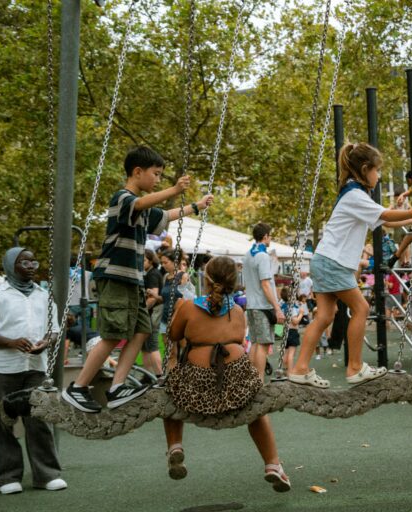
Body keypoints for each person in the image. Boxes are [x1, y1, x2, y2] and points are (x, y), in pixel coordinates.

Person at [63, 146, 214, 413]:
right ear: (137, 172)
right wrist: (175, 190)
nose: (158, 180)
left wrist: (196, 206)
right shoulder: (122, 198)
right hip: (115, 277)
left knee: (142, 329)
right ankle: (78, 387)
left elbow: (166, 215)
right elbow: (142, 203)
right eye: (156, 174)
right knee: (112, 334)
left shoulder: (143, 211)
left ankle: (117, 387)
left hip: (133, 281)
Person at [289, 142, 412, 388]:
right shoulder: (355, 194)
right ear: (365, 169)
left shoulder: (352, 192)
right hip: (333, 262)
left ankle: (300, 368)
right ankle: (354, 367)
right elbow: (387, 215)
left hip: (325, 260)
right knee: (361, 309)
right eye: (377, 171)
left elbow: (386, 222)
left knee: (325, 316)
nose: (378, 176)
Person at [162, 257, 290, 491]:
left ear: (207, 281)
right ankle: (273, 464)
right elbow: (240, 339)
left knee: (169, 394)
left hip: (197, 384)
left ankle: (175, 446)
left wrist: (179, 312)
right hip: (236, 383)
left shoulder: (189, 307)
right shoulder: (238, 311)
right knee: (256, 408)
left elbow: (172, 335)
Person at [0, 248, 67, 494]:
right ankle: (7, 477)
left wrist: (46, 341)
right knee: (1, 421)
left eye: (34, 260)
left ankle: (46, 474)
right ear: (12, 265)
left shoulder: (43, 295)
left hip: (35, 366)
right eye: (25, 261)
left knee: (39, 418)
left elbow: (53, 330)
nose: (32, 264)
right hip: (2, 368)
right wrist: (10, 342)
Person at [242, 223, 286, 379]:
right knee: (263, 345)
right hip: (263, 306)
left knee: (254, 343)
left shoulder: (247, 255)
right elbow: (266, 284)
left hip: (252, 305)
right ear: (265, 236)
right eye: (270, 235)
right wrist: (277, 308)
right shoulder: (262, 256)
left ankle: (252, 380)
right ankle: (258, 380)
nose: (271, 238)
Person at [142, 249, 163, 377]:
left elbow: (153, 297)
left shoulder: (153, 274)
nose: (141, 262)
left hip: (152, 314)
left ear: (151, 261)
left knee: (152, 345)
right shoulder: (149, 273)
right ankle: (147, 375)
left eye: (144, 260)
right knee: (145, 347)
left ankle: (159, 375)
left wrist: (142, 310)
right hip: (149, 314)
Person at [279, 287, 302, 372]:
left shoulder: (282, 306)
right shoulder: (292, 307)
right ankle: (290, 372)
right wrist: (301, 314)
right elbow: (295, 321)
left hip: (285, 331)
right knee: (291, 354)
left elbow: (280, 321)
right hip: (292, 331)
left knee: (286, 353)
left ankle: (285, 370)